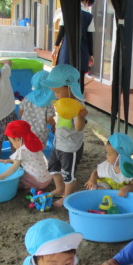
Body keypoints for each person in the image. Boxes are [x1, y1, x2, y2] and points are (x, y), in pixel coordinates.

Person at [41, 64, 88, 207]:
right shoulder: (62, 101)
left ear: (69, 88)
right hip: (58, 143)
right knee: (53, 167)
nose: (56, 95)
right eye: (54, 92)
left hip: (70, 148)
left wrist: (80, 116)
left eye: (57, 91)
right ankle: (59, 188)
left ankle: (67, 197)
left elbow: (79, 128)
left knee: (68, 174)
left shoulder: (78, 106)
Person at [51, 0, 95, 92]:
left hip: (66, 50)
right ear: (86, 1)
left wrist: (55, 48)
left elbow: (61, 32)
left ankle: (64, 99)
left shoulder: (66, 13)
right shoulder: (89, 17)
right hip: (82, 51)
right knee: (79, 79)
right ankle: (78, 99)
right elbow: (90, 38)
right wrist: (91, 54)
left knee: (64, 77)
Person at [0, 120, 52, 191]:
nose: (12, 144)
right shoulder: (33, 144)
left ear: (18, 140)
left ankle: (31, 188)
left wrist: (0, 177)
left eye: (12, 142)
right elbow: (28, 158)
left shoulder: (21, 151)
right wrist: (9, 160)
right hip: (47, 179)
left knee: (20, 174)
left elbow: (14, 168)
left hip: (38, 182)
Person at [84, 132, 133, 197]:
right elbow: (96, 172)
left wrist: (126, 188)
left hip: (120, 195)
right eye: (107, 153)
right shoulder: (106, 166)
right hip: (106, 192)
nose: (106, 156)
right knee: (96, 188)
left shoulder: (129, 170)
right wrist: (92, 179)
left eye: (109, 154)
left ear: (120, 156)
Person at [19, 70, 56, 145]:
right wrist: (54, 125)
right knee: (38, 151)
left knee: (24, 149)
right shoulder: (48, 101)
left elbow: (21, 111)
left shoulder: (27, 98)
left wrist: (25, 118)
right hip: (40, 134)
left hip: (26, 131)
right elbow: (49, 119)